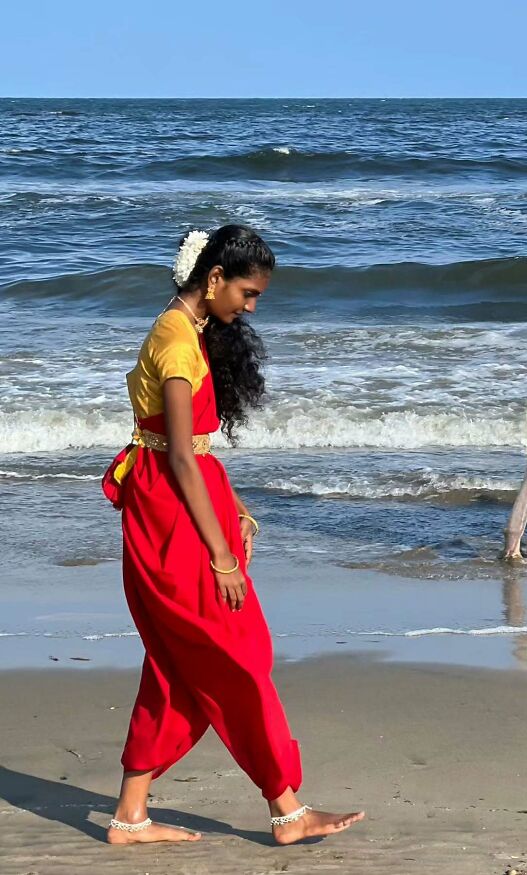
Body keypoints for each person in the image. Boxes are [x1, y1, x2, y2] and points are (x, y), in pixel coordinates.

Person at [102, 224, 364, 846]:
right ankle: (287, 809)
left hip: (185, 503)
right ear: (213, 278)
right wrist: (220, 556)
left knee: (176, 664)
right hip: (170, 519)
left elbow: (186, 446)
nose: (249, 307)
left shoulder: (189, 331)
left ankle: (129, 816)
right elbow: (180, 460)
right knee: (239, 657)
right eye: (247, 293)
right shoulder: (173, 339)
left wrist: (235, 505)